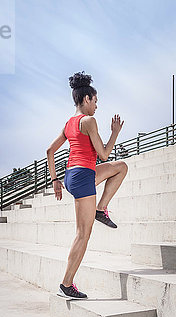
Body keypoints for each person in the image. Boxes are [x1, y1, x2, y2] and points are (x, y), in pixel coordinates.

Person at [46, 71, 127, 299]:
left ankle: (101, 209)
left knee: (121, 167)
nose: (97, 106)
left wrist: (55, 181)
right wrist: (114, 133)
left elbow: (50, 151)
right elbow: (103, 153)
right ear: (86, 99)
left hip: (74, 174)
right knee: (83, 234)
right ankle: (66, 284)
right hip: (83, 177)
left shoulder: (69, 123)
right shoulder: (89, 121)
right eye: (95, 101)